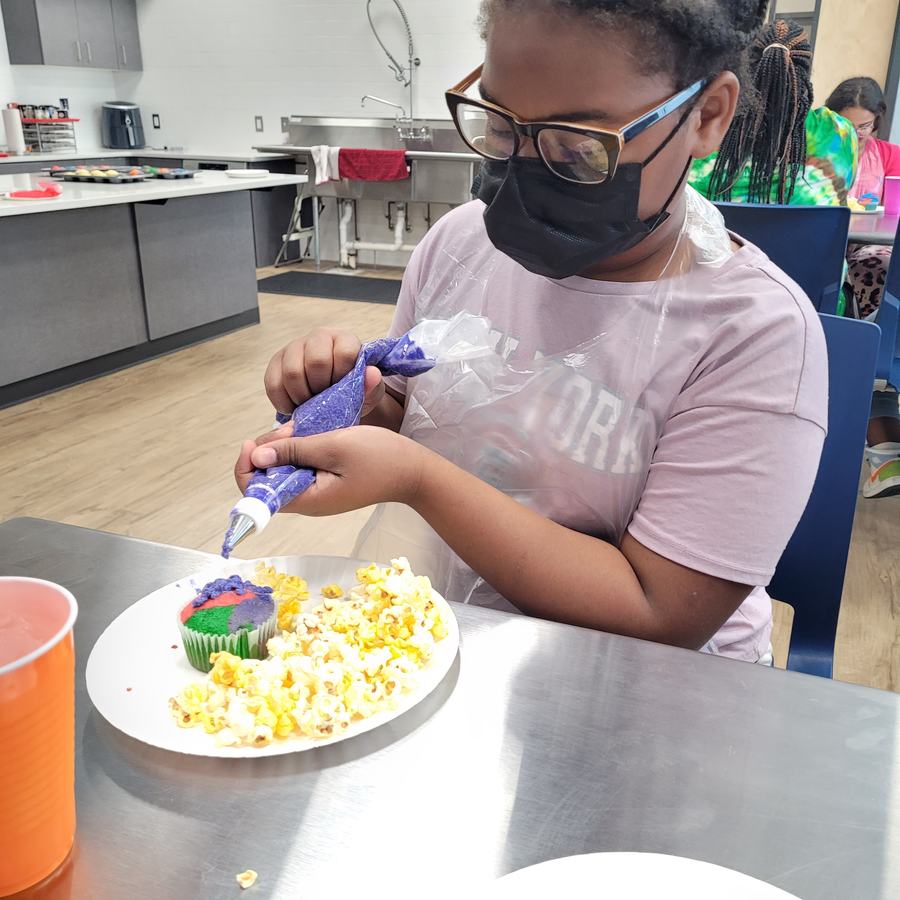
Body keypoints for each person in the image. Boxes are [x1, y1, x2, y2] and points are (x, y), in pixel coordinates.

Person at [235, 0, 827, 663]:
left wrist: (417, 479)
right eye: (498, 125)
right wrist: (356, 402)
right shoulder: (460, 245)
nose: (520, 170)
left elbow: (660, 612)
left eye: (576, 146)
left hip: (653, 695)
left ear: (707, 116)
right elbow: (416, 412)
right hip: (447, 639)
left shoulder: (752, 334)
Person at [690, 20, 857, 206]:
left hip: (723, 236)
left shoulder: (706, 130)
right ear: (803, 75)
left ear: (744, 72)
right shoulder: (839, 134)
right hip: (810, 236)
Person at [826, 77, 900, 497]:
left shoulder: (890, 158)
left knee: (878, 267)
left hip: (872, 251)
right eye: (845, 124)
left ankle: (874, 412)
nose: (854, 135)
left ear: (877, 124)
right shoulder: (815, 156)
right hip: (831, 253)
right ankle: (880, 439)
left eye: (864, 127)